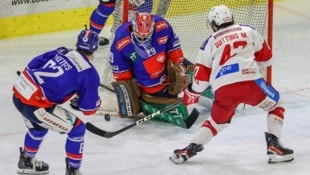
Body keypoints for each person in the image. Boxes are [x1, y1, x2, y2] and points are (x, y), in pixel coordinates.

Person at [169, 5, 294, 164]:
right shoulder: (249, 30)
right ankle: (274, 145)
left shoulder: (209, 42)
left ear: (214, 24)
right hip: (251, 84)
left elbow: (200, 82)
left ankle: (188, 149)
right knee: (277, 104)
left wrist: (191, 92)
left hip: (223, 90)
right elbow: (267, 59)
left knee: (216, 123)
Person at [12, 29, 101, 174]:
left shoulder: (62, 51)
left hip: (19, 91)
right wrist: (97, 102)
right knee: (77, 129)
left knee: (38, 127)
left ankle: (26, 160)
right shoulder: (90, 73)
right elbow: (88, 108)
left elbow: (33, 64)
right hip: (36, 105)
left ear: (77, 43)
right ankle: (73, 170)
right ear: (95, 49)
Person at [108, 12, 199, 128]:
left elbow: (173, 47)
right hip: (150, 84)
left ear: (153, 28)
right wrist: (129, 98)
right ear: (133, 30)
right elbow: (121, 73)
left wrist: (179, 67)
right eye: (139, 37)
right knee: (172, 98)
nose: (143, 40)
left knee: (196, 72)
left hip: (166, 67)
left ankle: (205, 84)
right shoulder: (121, 41)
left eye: (147, 36)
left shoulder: (162, 27)